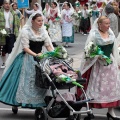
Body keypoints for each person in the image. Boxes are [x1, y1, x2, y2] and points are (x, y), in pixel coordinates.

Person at [0, 12, 54, 117]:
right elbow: (25, 47)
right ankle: (16, 103)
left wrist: (55, 53)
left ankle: (38, 103)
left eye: (42, 21)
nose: (41, 23)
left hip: (40, 58)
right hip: (27, 57)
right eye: (39, 21)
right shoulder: (26, 31)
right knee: (21, 82)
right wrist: (35, 55)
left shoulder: (44, 31)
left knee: (40, 82)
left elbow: (48, 46)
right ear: (32, 21)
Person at [77, 16, 120, 120]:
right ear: (99, 24)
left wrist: (117, 62)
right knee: (95, 87)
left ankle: (111, 111)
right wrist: (97, 55)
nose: (108, 26)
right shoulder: (94, 34)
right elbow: (88, 50)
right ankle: (90, 110)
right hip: (97, 65)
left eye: (109, 24)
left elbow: (114, 49)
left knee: (111, 88)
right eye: (106, 24)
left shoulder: (111, 34)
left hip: (110, 64)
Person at [0, 0, 20, 68]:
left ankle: (9, 62)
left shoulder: (13, 13)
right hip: (2, 33)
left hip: (11, 33)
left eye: (8, 3)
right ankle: (4, 63)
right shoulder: (0, 13)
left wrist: (16, 32)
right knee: (3, 49)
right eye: (6, 3)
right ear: (3, 4)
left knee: (11, 48)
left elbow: (17, 23)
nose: (7, 5)